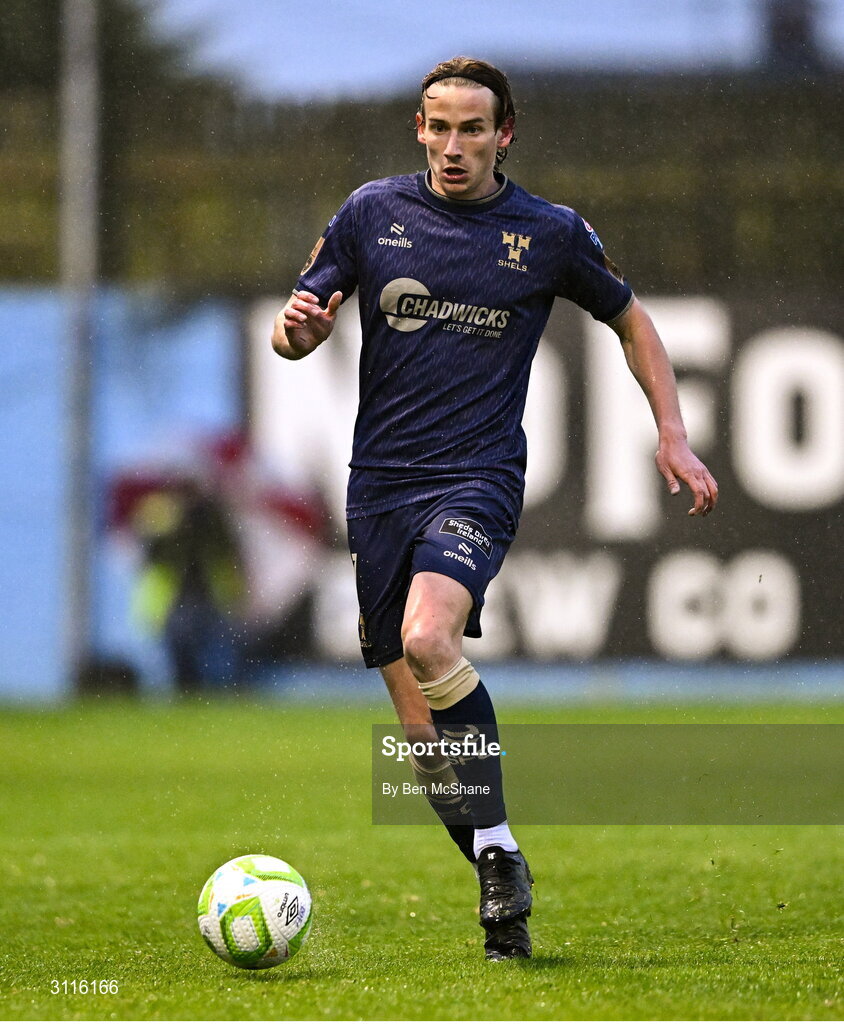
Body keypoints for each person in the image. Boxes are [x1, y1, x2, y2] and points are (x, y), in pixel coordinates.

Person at [271, 56, 718, 960]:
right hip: (379, 488)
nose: (452, 146)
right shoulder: (372, 214)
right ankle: (498, 870)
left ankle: (499, 858)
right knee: (419, 742)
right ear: (419, 128)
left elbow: (632, 320)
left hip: (476, 476)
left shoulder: (547, 233)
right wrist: (298, 332)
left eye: (472, 128)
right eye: (438, 127)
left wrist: (671, 431)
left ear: (504, 134)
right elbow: (296, 325)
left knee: (433, 637)